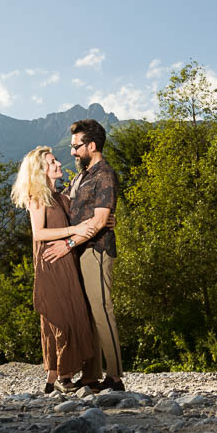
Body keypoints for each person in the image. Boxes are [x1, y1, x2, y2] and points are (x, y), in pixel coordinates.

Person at [42, 119, 125, 391]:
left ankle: (114, 378)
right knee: (87, 315)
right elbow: (64, 206)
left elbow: (100, 221)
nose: (73, 152)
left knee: (102, 311)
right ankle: (90, 377)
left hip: (96, 250)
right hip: (78, 251)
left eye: (76, 146)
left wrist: (67, 244)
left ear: (92, 145)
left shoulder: (105, 175)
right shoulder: (80, 176)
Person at [10, 146, 98, 393]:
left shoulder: (60, 196)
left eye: (56, 160)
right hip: (50, 263)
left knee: (61, 320)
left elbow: (82, 217)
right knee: (62, 319)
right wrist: (75, 230)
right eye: (51, 162)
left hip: (65, 260)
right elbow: (40, 233)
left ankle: (52, 379)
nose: (58, 163)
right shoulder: (37, 197)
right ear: (40, 171)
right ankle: (64, 376)